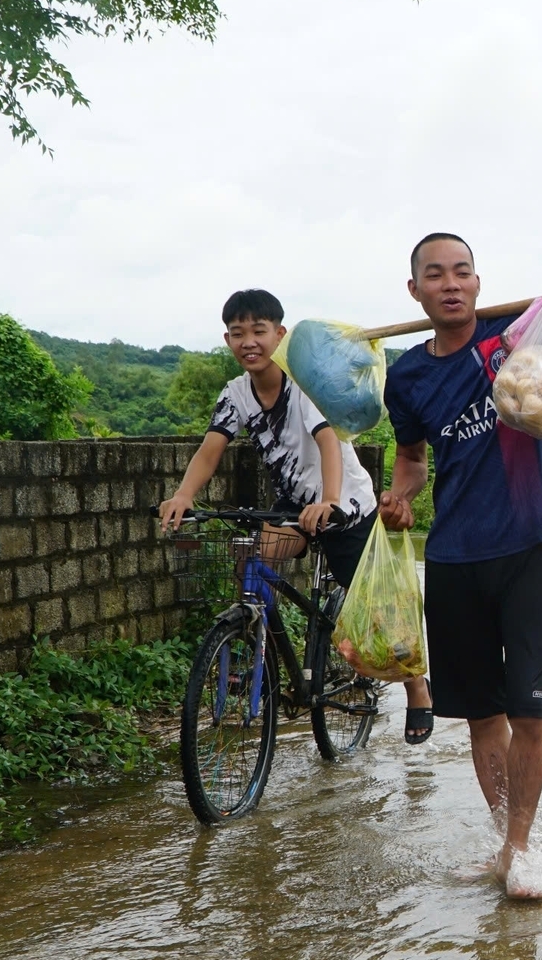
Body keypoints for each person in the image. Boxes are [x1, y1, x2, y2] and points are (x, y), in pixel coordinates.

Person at [372, 235, 542, 897]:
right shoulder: (406, 376)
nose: (451, 284)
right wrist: (399, 497)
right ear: (415, 291)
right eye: (436, 275)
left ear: (478, 282)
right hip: (454, 558)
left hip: (530, 544)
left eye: (462, 272)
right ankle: (505, 844)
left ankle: (520, 847)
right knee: (483, 716)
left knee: (530, 712)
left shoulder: (517, 335)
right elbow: (412, 460)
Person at [158, 288, 434, 743]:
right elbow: (211, 449)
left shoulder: (301, 383)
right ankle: (256, 655)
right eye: (237, 333)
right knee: (252, 558)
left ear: (279, 335)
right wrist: (183, 494)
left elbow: (327, 441)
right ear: (227, 340)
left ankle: (417, 689)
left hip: (345, 503)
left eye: (258, 331)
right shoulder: (236, 394)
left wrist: (329, 501)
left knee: (376, 607)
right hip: (293, 502)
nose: (249, 342)